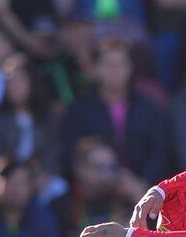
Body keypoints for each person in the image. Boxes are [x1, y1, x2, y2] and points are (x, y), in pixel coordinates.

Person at [60, 40, 170, 187]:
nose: (115, 70)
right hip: (94, 186)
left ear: (130, 68)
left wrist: (143, 183)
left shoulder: (149, 108)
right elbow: (72, 154)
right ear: (96, 69)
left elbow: (159, 153)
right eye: (109, 64)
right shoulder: (80, 110)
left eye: (121, 64)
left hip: (142, 187)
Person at [0, 56, 62, 181]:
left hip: (40, 179)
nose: (14, 86)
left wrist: (43, 175)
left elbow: (53, 154)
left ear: (32, 82)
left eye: (20, 80)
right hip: (6, 180)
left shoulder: (48, 117)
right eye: (10, 81)